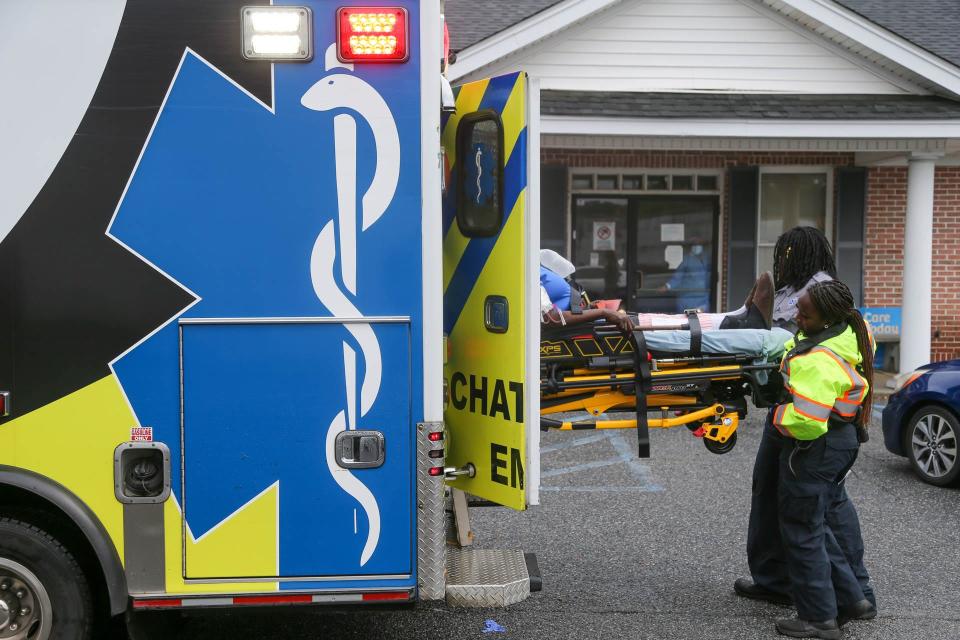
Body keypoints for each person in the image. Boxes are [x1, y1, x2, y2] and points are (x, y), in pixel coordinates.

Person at [737, 281, 876, 639]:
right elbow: (794, 346)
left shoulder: (817, 362)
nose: (796, 315)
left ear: (825, 317)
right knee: (817, 526)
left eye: (804, 312)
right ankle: (852, 599)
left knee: (801, 531)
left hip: (816, 448)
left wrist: (779, 412)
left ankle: (819, 619)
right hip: (840, 443)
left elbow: (807, 423)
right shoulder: (845, 335)